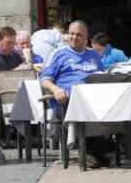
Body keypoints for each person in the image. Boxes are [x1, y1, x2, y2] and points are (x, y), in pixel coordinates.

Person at [41, 20, 113, 168]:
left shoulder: (94, 55)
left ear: (86, 37)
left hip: (94, 100)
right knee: (80, 109)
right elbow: (44, 80)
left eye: (79, 35)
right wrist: (56, 90)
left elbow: (101, 76)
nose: (74, 37)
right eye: (71, 34)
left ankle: (95, 151)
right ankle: (89, 152)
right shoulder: (58, 54)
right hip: (66, 100)